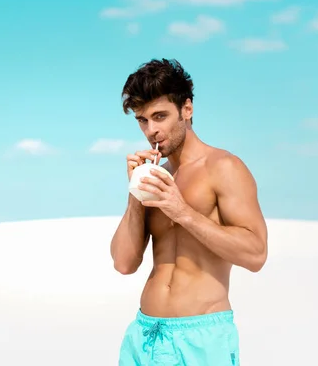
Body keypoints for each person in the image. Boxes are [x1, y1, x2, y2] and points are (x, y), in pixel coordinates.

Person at [110, 58, 268, 365]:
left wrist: (182, 212)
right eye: (143, 120)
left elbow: (256, 254)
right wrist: (135, 193)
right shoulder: (155, 177)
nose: (151, 130)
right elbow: (123, 263)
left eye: (159, 116)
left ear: (187, 109)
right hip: (145, 336)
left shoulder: (224, 168)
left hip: (201, 340)